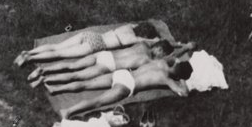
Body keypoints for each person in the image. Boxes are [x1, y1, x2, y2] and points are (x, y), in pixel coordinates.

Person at [59, 56, 194, 119]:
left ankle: (57, 89)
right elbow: (184, 93)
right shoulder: (166, 79)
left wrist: (177, 61)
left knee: (86, 84)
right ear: (178, 75)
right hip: (127, 84)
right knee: (97, 102)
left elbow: (174, 58)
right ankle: (68, 111)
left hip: (123, 72)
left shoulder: (161, 62)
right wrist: (181, 80)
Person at [33, 38, 194, 87]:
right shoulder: (149, 60)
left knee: (72, 66)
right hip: (108, 65)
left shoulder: (143, 44)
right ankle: (44, 79)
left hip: (104, 55)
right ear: (160, 51)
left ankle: (43, 71)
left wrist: (182, 45)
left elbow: (162, 43)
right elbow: (170, 57)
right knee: (77, 77)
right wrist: (185, 47)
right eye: (162, 52)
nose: (161, 55)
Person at [15, 21, 162, 66]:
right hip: (96, 45)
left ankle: (29, 52)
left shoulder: (128, 27)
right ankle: (29, 58)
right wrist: (154, 40)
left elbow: (135, 24)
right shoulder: (134, 39)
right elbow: (147, 41)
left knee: (56, 47)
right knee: (59, 53)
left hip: (91, 35)